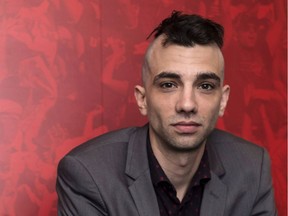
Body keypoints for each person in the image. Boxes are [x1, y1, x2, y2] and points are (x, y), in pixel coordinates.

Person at [56, 11, 277, 216]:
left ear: (223, 100)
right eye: (169, 84)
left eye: (206, 86)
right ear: (142, 100)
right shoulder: (89, 173)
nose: (187, 104)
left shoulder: (252, 167)